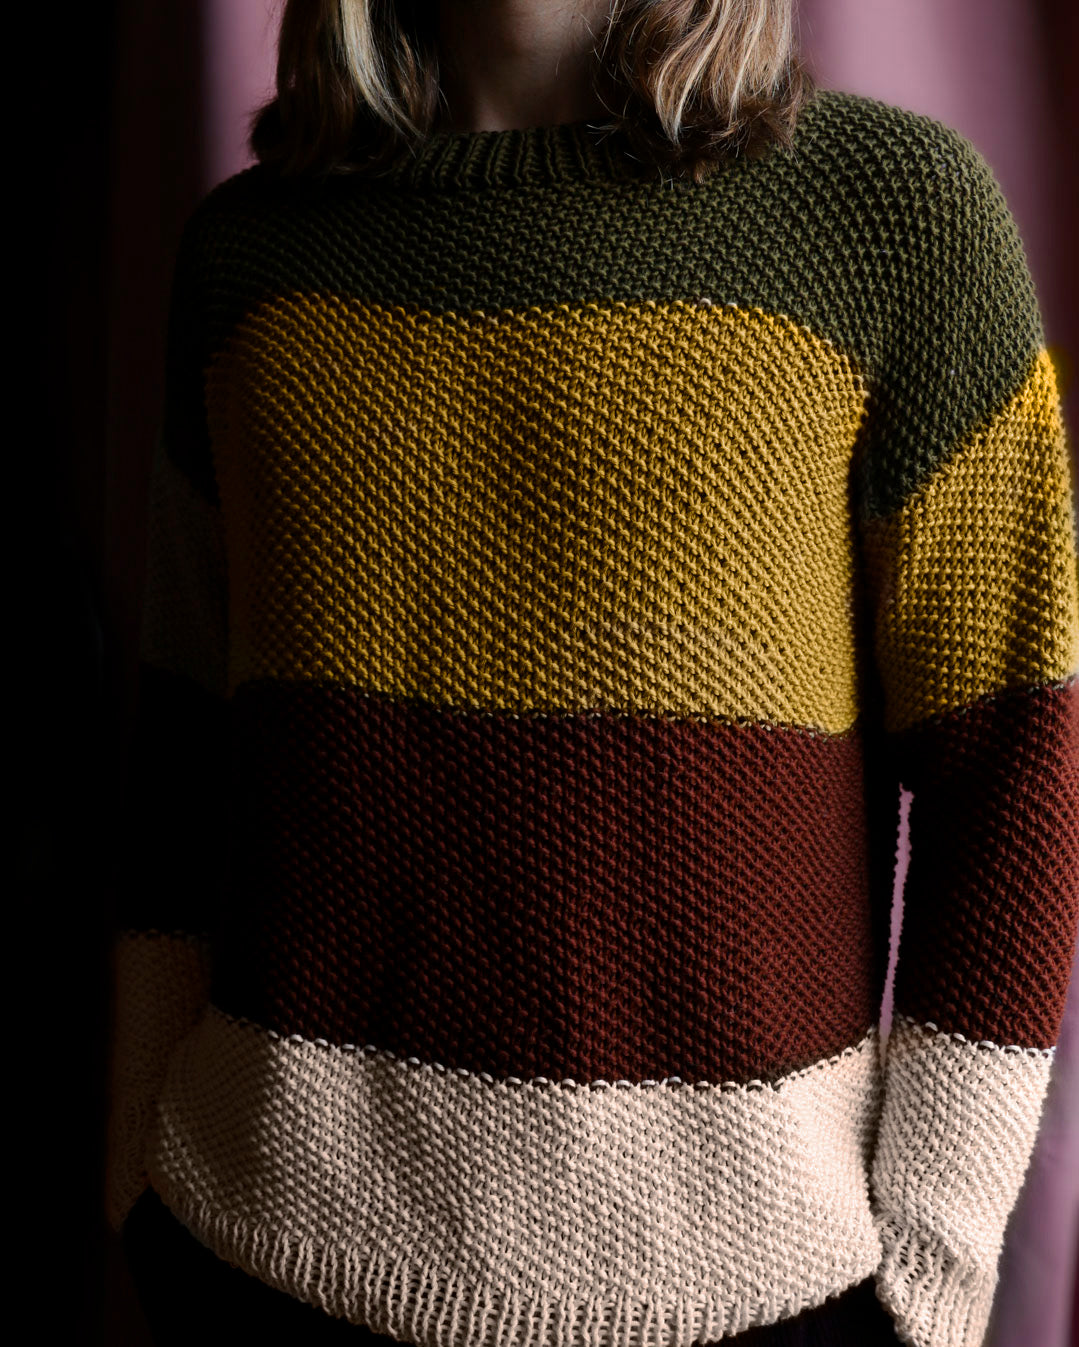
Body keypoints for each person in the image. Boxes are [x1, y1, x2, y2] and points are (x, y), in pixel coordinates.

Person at [106, 1, 1079, 1345]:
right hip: (256, 1254)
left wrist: (932, 1267)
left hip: (750, 1297)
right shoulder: (246, 255)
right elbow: (183, 751)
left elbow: (1014, 765)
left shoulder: (892, 217)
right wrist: (136, 1179)